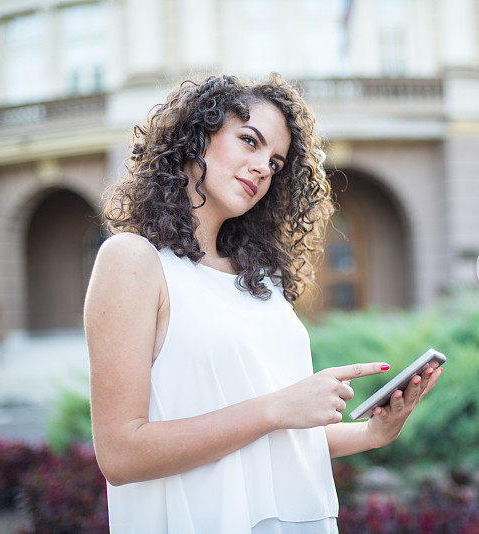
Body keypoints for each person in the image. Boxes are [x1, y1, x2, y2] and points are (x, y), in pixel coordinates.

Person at [84, 73, 443, 533]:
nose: (261, 168)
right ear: (196, 134)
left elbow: (273, 439)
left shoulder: (260, 283)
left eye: (275, 163)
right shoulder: (133, 261)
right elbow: (120, 454)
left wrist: (373, 433)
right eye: (249, 141)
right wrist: (277, 407)